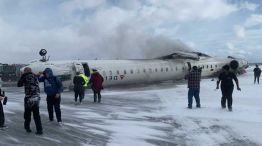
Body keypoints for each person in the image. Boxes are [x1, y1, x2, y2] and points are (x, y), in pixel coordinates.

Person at [17, 67, 43, 135]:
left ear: (25, 71)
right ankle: (39, 130)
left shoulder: (25, 76)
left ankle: (27, 128)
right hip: (36, 97)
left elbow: (19, 84)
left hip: (29, 98)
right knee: (36, 115)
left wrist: (23, 75)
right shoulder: (35, 76)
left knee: (27, 114)